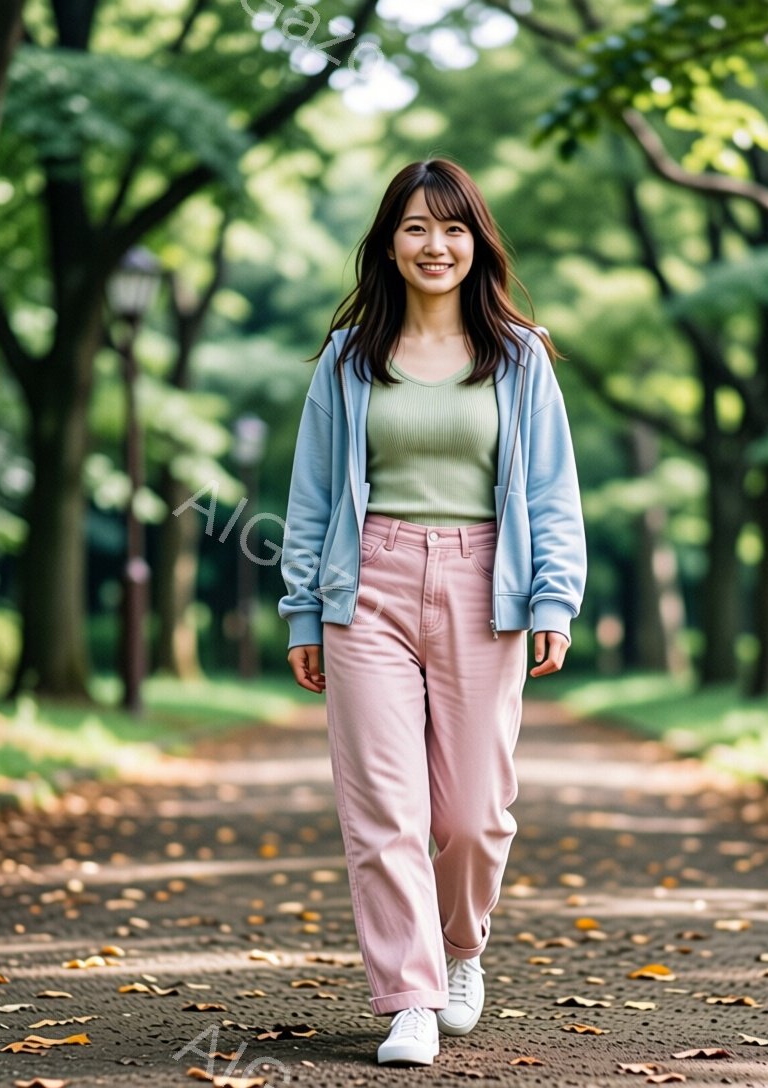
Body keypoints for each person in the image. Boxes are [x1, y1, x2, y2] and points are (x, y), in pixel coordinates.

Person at [277, 158, 587, 1068]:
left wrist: (553, 599)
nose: (434, 244)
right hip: (364, 580)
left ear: (476, 241)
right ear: (388, 243)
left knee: (472, 814)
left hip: (486, 582)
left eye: (452, 227)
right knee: (384, 805)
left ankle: (461, 948)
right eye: (415, 227)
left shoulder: (519, 354)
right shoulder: (347, 358)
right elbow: (310, 494)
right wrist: (304, 612)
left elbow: (556, 492)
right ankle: (408, 997)